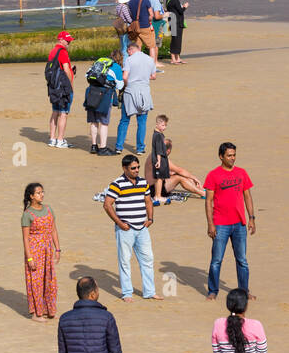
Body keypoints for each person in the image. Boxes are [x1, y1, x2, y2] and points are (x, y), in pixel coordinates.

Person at [104, 154, 160, 302]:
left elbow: (148, 201)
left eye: (138, 167)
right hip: (125, 230)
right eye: (133, 168)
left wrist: (150, 218)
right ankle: (127, 293)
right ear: (125, 168)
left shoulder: (143, 182)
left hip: (142, 228)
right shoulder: (117, 184)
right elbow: (107, 204)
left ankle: (149, 292)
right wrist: (119, 223)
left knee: (148, 259)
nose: (136, 170)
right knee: (125, 261)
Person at [205, 142, 256, 301]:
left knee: (242, 260)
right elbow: (208, 201)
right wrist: (210, 224)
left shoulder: (242, 173)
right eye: (229, 155)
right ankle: (213, 291)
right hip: (221, 224)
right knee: (216, 260)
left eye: (234, 155)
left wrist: (252, 218)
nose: (232, 158)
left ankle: (244, 291)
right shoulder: (213, 175)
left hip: (239, 224)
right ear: (221, 156)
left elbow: (247, 196)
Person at [22, 182, 60, 320]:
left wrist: (58, 249)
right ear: (31, 196)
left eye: (42, 192)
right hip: (34, 251)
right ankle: (36, 313)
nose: (41, 195)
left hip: (48, 250)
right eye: (38, 193)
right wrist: (30, 258)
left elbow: (53, 230)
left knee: (49, 280)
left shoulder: (49, 209)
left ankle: (49, 310)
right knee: (36, 282)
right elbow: (25, 239)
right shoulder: (27, 214)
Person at [148, 115, 206, 201]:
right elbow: (180, 170)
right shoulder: (162, 158)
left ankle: (199, 189)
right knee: (180, 177)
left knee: (177, 174)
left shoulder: (154, 154)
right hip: (154, 189)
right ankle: (203, 193)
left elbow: (173, 171)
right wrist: (194, 178)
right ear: (167, 151)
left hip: (153, 186)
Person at [113, 37, 156, 155]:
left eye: (128, 52)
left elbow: (125, 77)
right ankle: (140, 148)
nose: (127, 54)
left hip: (131, 91)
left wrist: (125, 84)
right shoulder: (149, 59)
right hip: (144, 92)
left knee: (124, 120)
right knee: (142, 121)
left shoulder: (130, 60)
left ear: (130, 50)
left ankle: (119, 147)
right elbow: (153, 76)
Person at [83, 50, 124, 154]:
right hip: (105, 95)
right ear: (120, 59)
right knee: (104, 122)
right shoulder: (117, 67)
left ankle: (93, 146)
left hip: (91, 92)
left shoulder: (98, 62)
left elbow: (86, 75)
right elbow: (120, 86)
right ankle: (103, 147)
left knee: (93, 121)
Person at [46, 30, 75, 147]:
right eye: (67, 41)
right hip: (63, 87)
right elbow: (66, 69)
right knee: (63, 113)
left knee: (55, 112)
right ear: (60, 40)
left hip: (54, 87)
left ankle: (52, 139)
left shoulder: (53, 51)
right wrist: (71, 84)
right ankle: (60, 140)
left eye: (69, 41)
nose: (69, 43)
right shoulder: (62, 52)